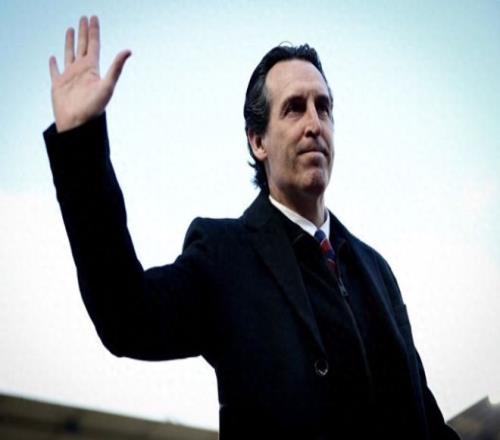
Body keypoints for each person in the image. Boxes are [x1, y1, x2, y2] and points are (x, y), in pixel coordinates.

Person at [44, 16, 460, 440]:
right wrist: (79, 140)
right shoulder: (224, 255)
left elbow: (425, 419)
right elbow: (127, 316)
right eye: (294, 108)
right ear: (258, 141)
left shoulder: (378, 271)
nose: (314, 124)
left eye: (323, 107)